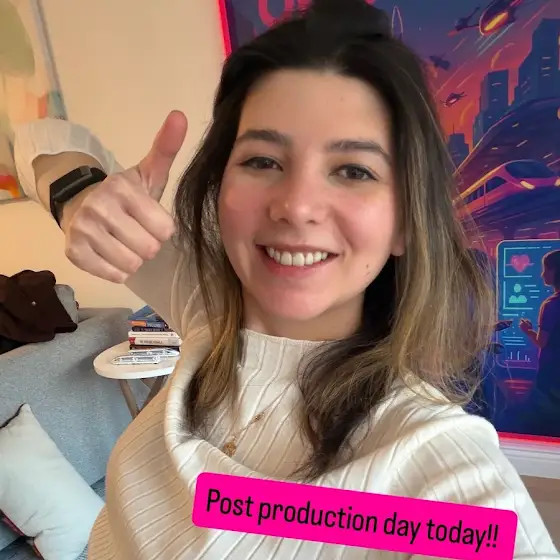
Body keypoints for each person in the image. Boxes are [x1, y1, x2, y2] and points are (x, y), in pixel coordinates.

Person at [13, 1, 558, 558]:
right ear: (219, 187)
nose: (297, 206)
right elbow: (34, 136)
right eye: (263, 161)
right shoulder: (208, 311)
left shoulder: (438, 468)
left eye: (353, 170)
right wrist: (76, 194)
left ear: (405, 222)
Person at [520, 250, 560, 419]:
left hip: (552, 370)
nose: (542, 274)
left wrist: (527, 330)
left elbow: (541, 342)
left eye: (546, 269)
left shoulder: (551, 304)